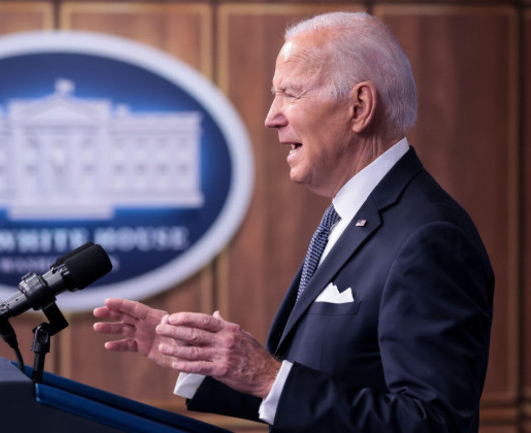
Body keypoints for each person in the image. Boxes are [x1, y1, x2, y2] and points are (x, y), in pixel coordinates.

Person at [93, 11, 493, 433]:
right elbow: (324, 386)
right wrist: (206, 362)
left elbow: (433, 424)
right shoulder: (350, 217)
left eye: (290, 93)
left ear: (359, 107)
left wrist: (269, 376)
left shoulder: (429, 237)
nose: (271, 116)